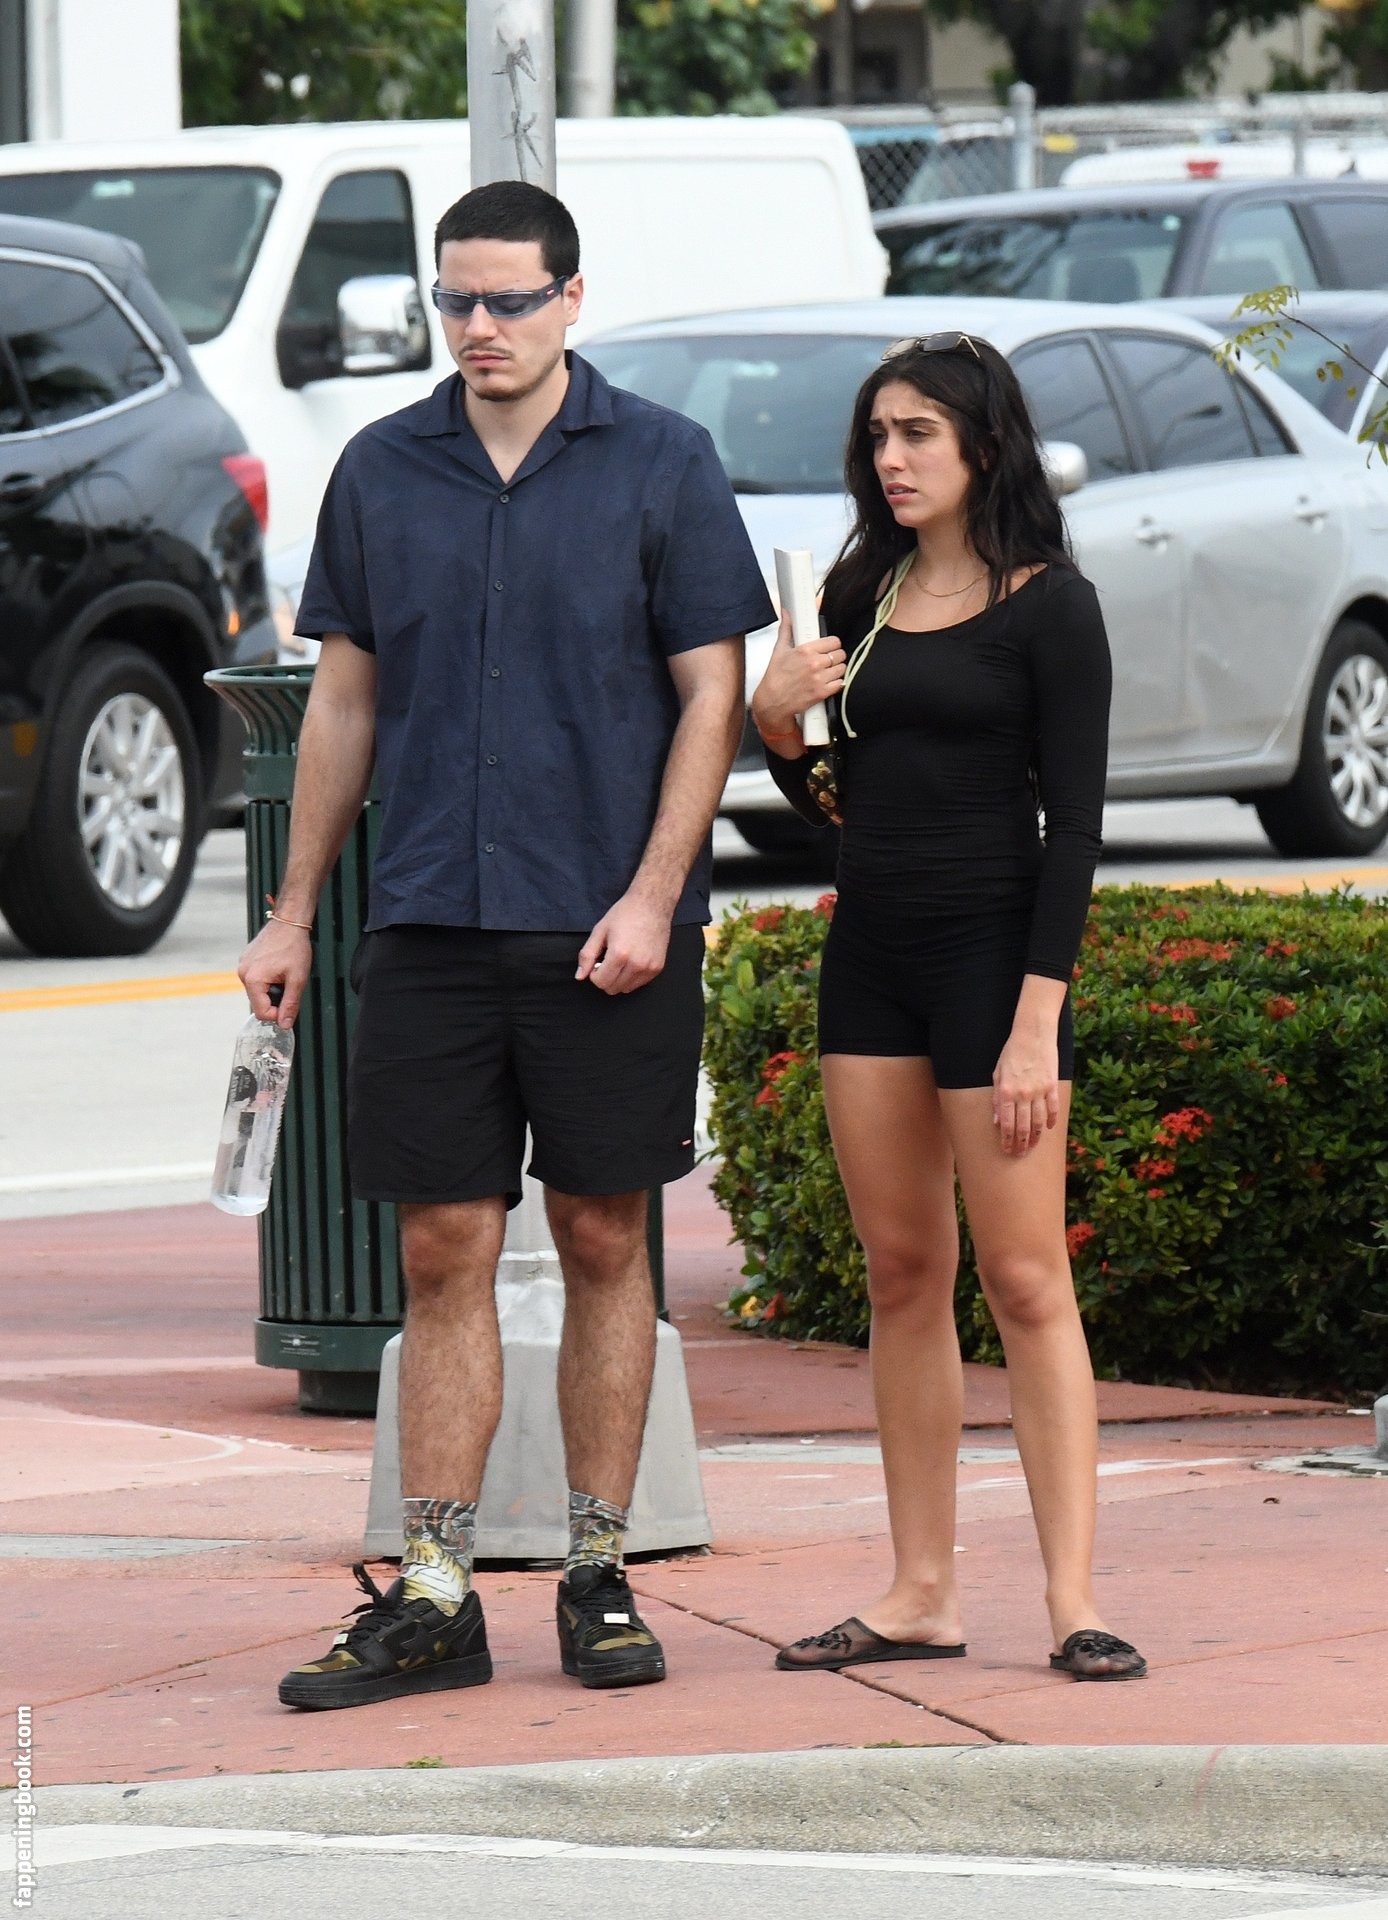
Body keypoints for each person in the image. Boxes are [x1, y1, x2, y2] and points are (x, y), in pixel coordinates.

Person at [238, 181, 774, 1711]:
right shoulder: (381, 468)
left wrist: (656, 893)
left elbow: (712, 697)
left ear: (571, 299)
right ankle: (434, 1593)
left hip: (609, 926)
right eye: (456, 301)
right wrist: (292, 909)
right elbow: (344, 705)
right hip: (427, 918)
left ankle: (600, 1574)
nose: (480, 327)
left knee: (605, 1240)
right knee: (441, 1251)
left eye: (509, 301)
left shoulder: (662, 461)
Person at [751, 333, 1146, 1682]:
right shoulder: (857, 591)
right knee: (904, 1275)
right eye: (878, 435)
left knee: (1027, 1281)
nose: (892, 457)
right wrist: (776, 726)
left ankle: (1074, 1601)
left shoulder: (1052, 607)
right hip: (871, 959)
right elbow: (832, 801)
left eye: (918, 432)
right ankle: (920, 1592)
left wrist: (1038, 1023)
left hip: (995, 967)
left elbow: (1076, 831)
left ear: (985, 442)